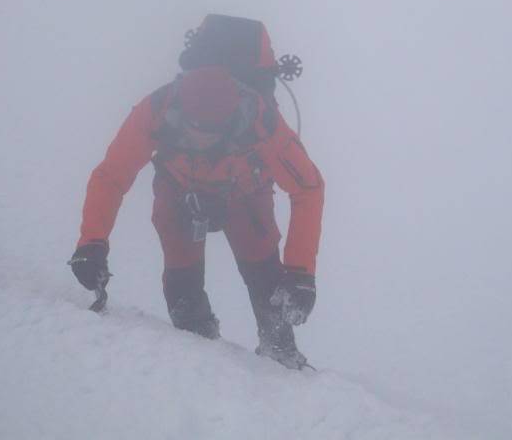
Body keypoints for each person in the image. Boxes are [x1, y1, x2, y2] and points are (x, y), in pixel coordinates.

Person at [69, 63, 324, 369]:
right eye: (194, 128)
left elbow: (308, 188)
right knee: (182, 287)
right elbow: (112, 176)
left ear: (231, 119)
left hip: (245, 195)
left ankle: (281, 354)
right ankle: (200, 360)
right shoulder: (156, 112)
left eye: (212, 130)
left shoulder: (261, 121)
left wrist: (300, 273)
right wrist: (92, 242)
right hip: (179, 195)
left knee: (269, 284)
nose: (201, 139)